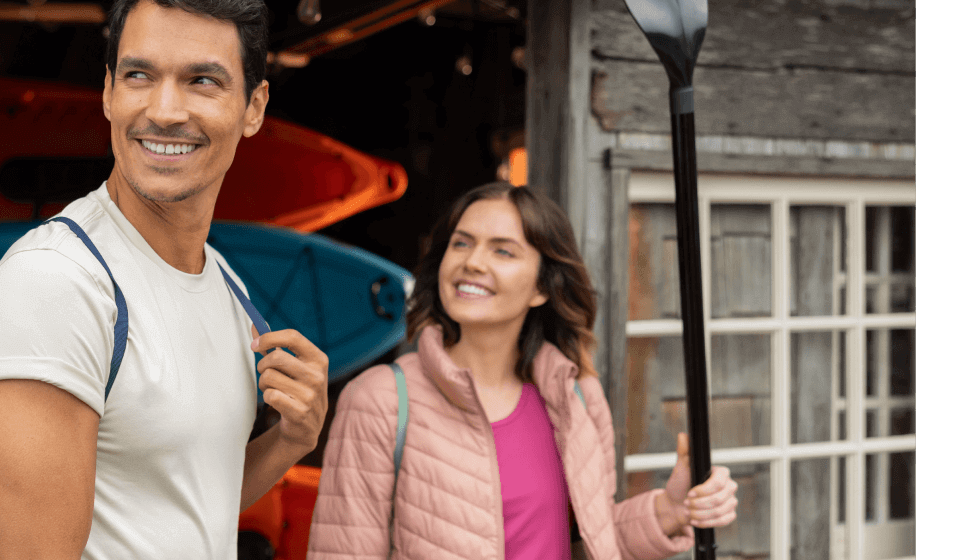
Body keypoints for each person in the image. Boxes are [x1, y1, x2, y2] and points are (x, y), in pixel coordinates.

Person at [0, 0, 331, 558]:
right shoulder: (58, 284)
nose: (163, 110)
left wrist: (290, 440)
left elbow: (181, 504)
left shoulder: (224, 283)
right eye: (138, 76)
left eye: (202, 81)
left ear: (254, 107)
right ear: (107, 92)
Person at [308, 182, 739, 560]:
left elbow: (591, 540)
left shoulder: (578, 397)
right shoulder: (380, 401)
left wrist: (669, 511)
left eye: (502, 250)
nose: (473, 262)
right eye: (461, 243)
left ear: (541, 288)